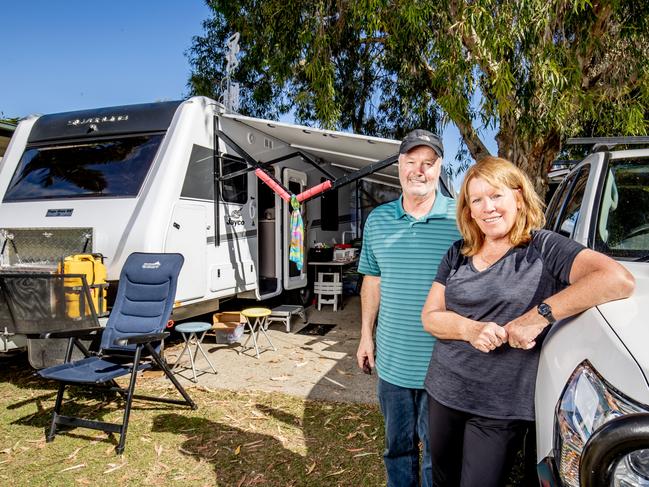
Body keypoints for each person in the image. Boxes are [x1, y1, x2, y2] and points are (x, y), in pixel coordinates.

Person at [421, 156, 635, 487]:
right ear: (469, 211)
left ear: (518, 198)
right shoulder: (457, 253)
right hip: (445, 389)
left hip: (500, 406)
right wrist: (470, 329)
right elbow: (431, 317)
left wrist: (539, 316)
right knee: (441, 479)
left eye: (496, 196)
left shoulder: (544, 247)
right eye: (477, 200)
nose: (487, 207)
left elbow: (616, 279)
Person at [356, 129, 460, 487]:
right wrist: (365, 337)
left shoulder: (461, 220)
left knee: (437, 453)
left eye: (428, 164)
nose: (420, 171)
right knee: (396, 448)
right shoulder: (378, 221)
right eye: (412, 162)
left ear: (440, 168)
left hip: (443, 365)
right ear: (399, 166)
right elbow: (372, 280)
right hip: (393, 364)